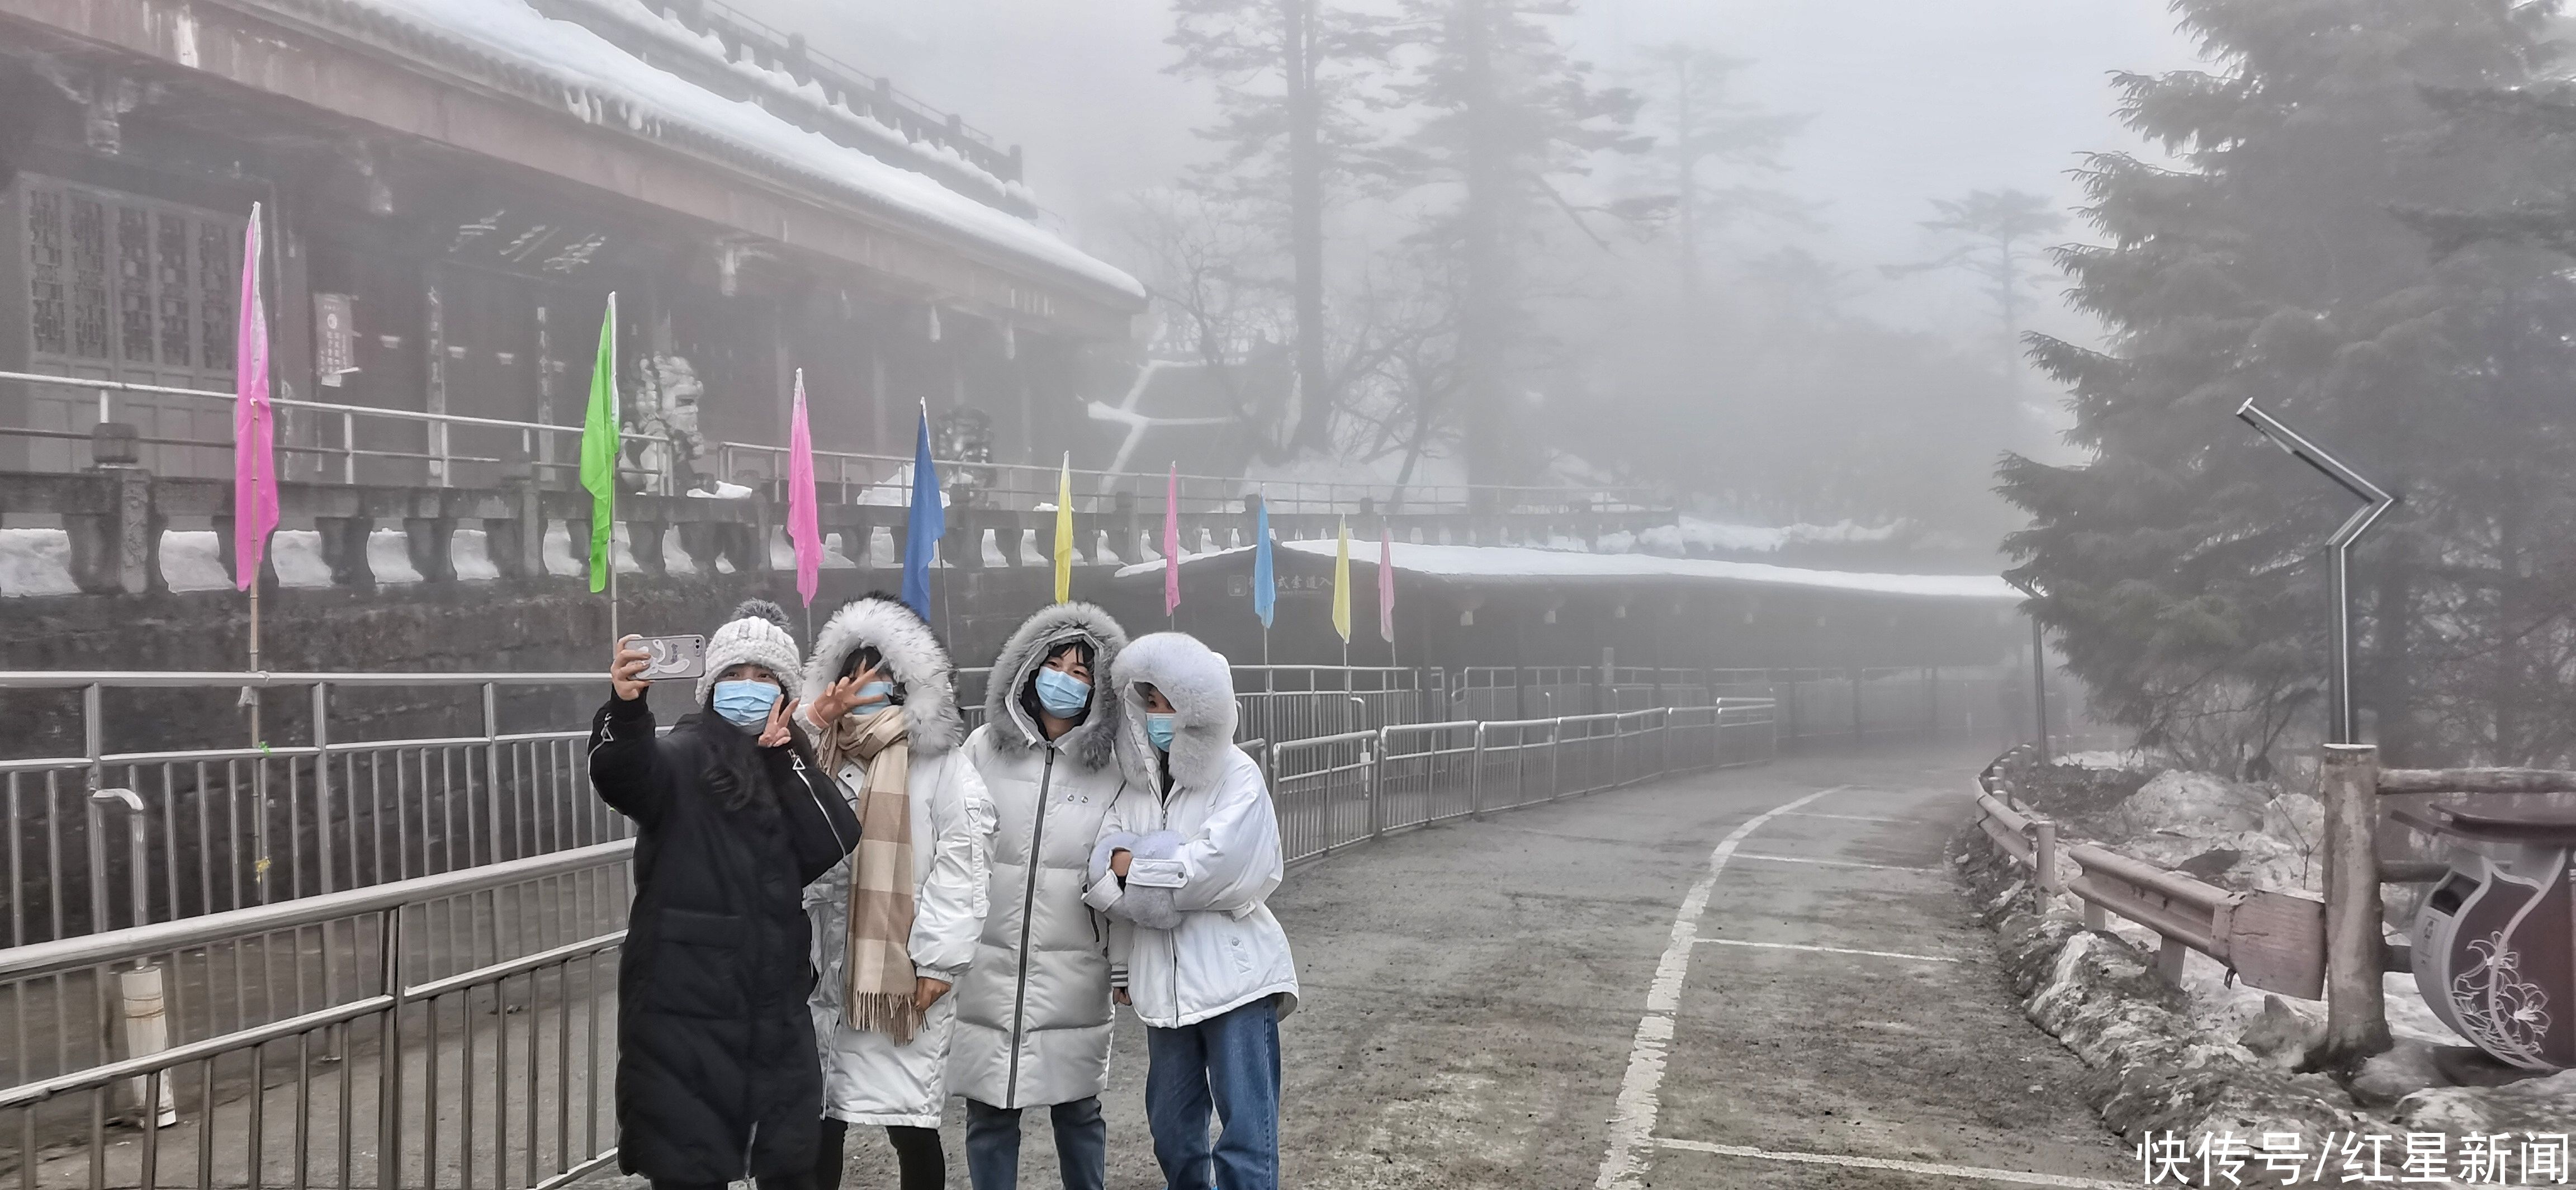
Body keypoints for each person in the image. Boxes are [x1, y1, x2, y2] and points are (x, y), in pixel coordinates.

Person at [589, 599, 860, 1190]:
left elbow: (833, 835)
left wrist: (786, 754)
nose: (748, 688)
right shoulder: (680, 756)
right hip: (682, 1017)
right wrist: (627, 709)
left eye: (765, 678)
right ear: (710, 686)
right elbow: (624, 774)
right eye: (735, 675)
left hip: (773, 1012)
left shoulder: (787, 764)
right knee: (689, 1169)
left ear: (786, 692)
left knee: (789, 1165)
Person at [1083, 632, 1299, 1190]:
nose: (1157, 716)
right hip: (1163, 988)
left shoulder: (1238, 775)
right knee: (1173, 1134)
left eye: (1167, 703)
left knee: (1247, 1139)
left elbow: (1220, 870)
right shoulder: (1134, 787)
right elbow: (1102, 871)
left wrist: (1140, 866)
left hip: (1237, 980)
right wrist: (1126, 963)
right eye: (1148, 703)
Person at [797, 594, 995, 1190]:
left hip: (899, 977)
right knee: (815, 1123)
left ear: (909, 682)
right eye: (853, 671)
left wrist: (938, 958)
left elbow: (964, 862)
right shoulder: (813, 754)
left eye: (882, 673)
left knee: (910, 1122)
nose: (866, 685)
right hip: (817, 969)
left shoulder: (941, 764)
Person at [952, 604, 1131, 1190]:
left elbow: (1125, 871)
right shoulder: (982, 749)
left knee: (1079, 1110)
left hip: (1075, 967)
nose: (1064, 679)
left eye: (1082, 672)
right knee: (989, 1112)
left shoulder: (1114, 769)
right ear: (1026, 669)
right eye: (1054, 663)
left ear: (1100, 688)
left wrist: (1123, 963)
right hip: (988, 966)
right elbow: (951, 848)